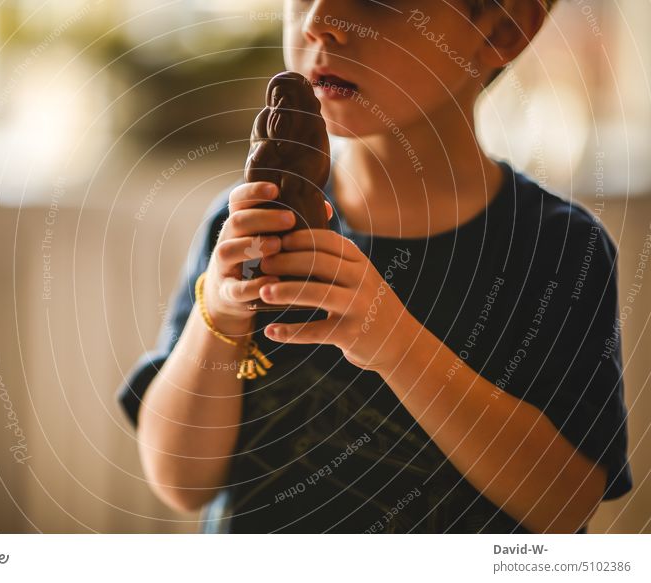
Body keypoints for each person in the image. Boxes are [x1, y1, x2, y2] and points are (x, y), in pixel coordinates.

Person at [117, 0, 632, 533]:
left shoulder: (558, 248)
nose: (318, 21)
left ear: (500, 28)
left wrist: (397, 346)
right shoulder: (245, 226)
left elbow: (565, 505)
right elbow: (181, 481)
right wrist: (217, 320)